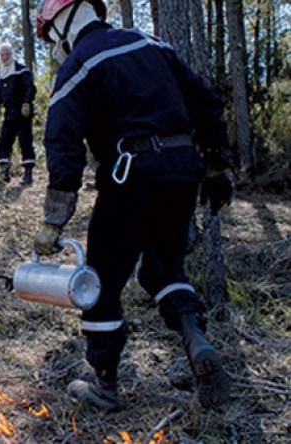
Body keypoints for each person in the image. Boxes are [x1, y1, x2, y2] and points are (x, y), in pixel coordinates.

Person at [32, 0, 235, 411]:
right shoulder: (152, 43)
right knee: (165, 271)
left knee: (100, 284)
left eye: (51, 36)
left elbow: (63, 142)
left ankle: (105, 387)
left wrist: (54, 219)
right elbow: (207, 102)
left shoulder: (80, 63)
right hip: (182, 173)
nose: (55, 46)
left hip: (131, 177)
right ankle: (196, 337)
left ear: (61, 21)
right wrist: (216, 166)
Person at [0, 42, 37, 185]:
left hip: (22, 112)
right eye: (2, 55)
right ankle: (4, 173)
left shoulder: (21, 70)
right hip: (9, 113)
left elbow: (30, 87)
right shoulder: (1, 75)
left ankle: (28, 175)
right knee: (4, 142)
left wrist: (27, 103)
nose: (5, 57)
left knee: (25, 142)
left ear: (11, 54)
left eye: (7, 54)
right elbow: (0, 96)